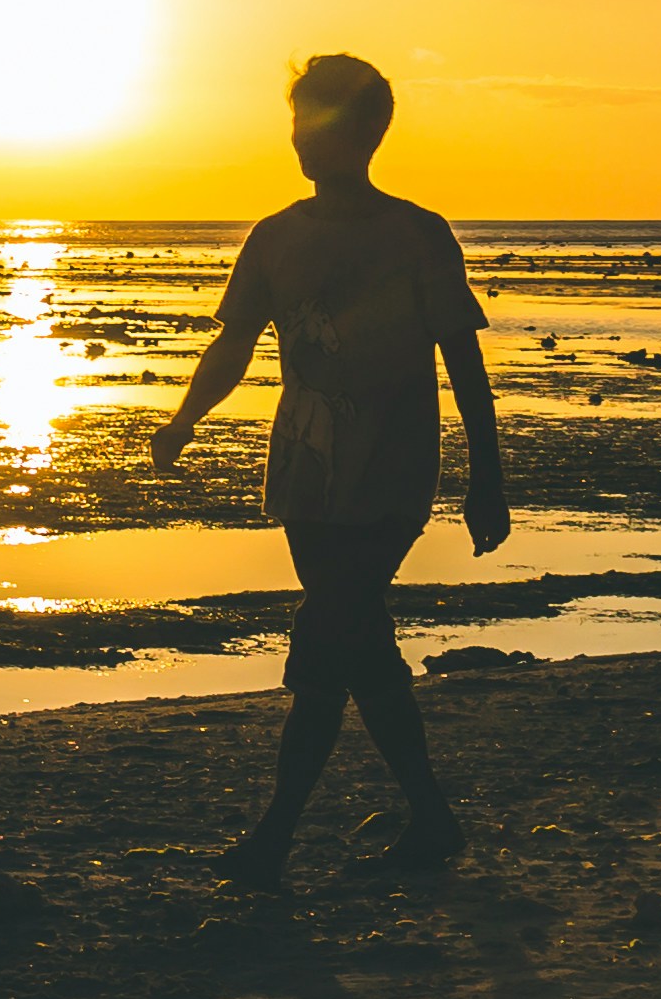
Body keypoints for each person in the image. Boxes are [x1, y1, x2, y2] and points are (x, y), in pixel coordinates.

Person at [148, 51, 507, 883]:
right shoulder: (275, 238)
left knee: (328, 632)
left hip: (393, 473)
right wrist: (184, 420)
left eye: (323, 122)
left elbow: (463, 358)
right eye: (298, 121)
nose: (306, 139)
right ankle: (431, 818)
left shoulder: (416, 233)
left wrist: (486, 477)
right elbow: (233, 341)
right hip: (305, 474)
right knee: (357, 639)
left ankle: (276, 832)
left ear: (366, 134)